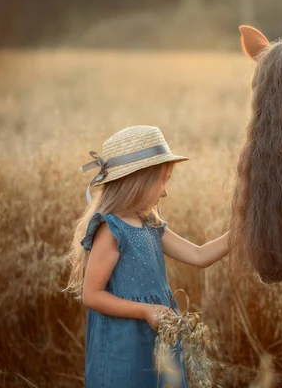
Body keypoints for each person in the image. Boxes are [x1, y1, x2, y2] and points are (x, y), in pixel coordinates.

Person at [64, 125, 230, 387]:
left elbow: (200, 255)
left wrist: (244, 231)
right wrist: (145, 310)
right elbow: (91, 295)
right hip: (123, 344)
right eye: (162, 180)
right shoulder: (111, 230)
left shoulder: (152, 225)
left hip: (158, 338)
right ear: (137, 181)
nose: (165, 191)